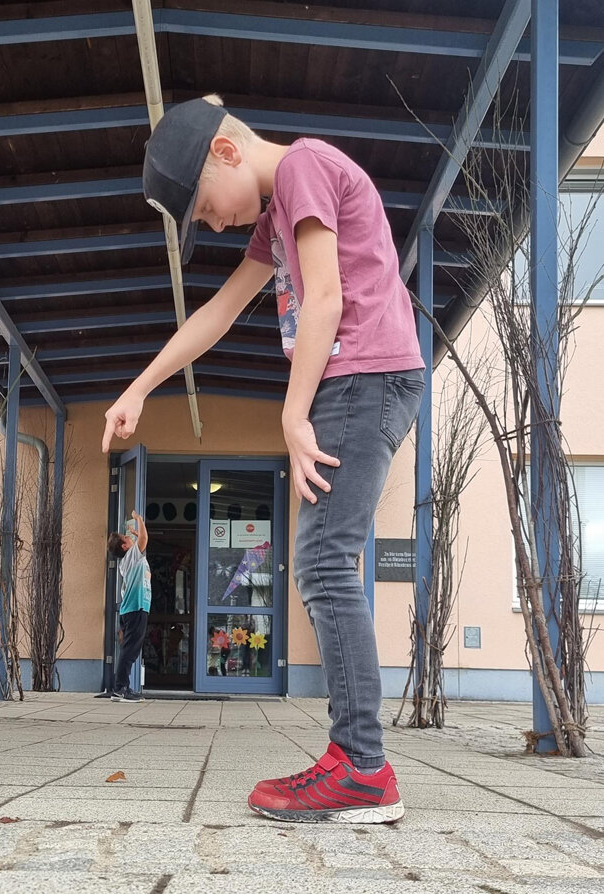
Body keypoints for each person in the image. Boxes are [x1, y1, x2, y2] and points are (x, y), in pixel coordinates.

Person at [101, 95, 424, 823]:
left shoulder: (304, 166)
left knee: (325, 562)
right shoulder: (279, 214)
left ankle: (363, 768)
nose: (214, 224)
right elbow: (217, 313)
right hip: (359, 380)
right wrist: (139, 388)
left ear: (226, 152)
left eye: (205, 209)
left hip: (362, 377)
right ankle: (355, 760)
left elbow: (326, 300)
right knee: (322, 562)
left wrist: (290, 413)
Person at [106, 510, 151, 702]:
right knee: (130, 650)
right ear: (125, 546)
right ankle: (120, 689)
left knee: (130, 649)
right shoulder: (131, 557)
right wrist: (138, 519)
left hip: (133, 609)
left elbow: (142, 541)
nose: (131, 538)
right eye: (127, 538)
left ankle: (121, 687)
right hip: (135, 609)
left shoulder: (130, 559)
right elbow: (144, 539)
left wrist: (136, 534)